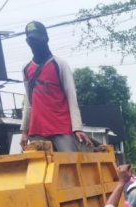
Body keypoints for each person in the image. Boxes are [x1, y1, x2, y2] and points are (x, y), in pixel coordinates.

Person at [19, 20, 94, 152]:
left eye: (37, 38)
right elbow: (28, 103)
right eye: (30, 40)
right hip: (37, 130)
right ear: (27, 42)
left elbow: (72, 97)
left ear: (46, 38)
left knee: (69, 166)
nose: (33, 43)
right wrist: (24, 131)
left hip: (61, 128)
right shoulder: (26, 69)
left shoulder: (59, 64)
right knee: (42, 171)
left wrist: (77, 128)